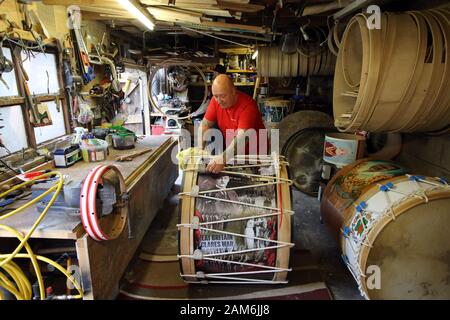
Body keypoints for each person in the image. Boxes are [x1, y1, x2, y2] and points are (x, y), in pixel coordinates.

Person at [198, 74, 266, 174]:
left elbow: (242, 138)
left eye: (223, 96)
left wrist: (223, 158)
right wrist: (200, 151)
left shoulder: (248, 105)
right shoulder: (216, 101)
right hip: (234, 154)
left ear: (233, 92)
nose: (219, 101)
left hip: (255, 155)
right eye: (215, 96)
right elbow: (205, 124)